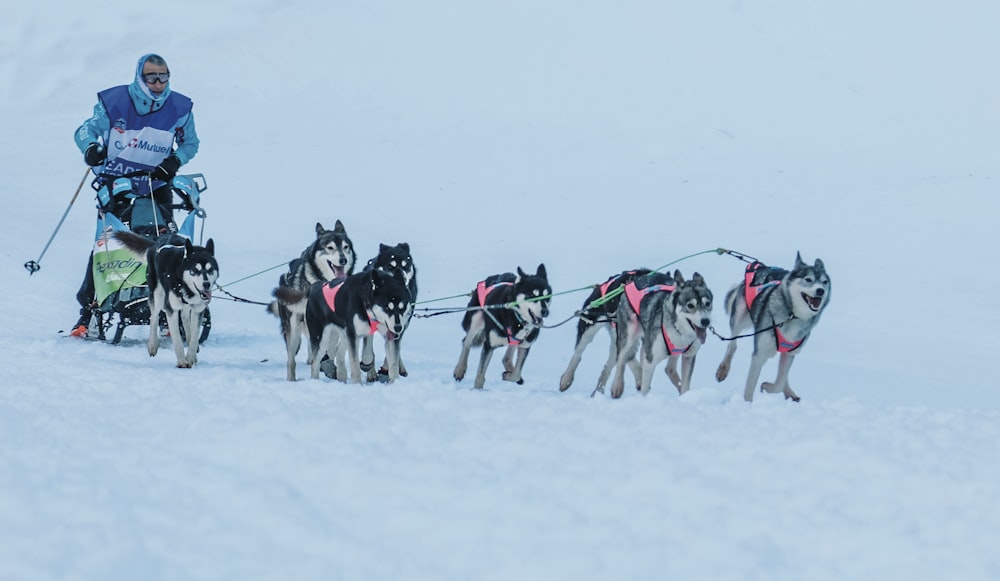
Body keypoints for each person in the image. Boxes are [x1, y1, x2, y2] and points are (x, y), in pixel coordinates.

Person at [70, 53, 200, 337]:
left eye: (163, 77)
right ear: (140, 77)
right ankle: (90, 310)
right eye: (151, 77)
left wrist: (174, 162)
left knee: (164, 240)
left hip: (157, 183)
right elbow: (84, 130)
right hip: (117, 183)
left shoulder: (179, 107)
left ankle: (172, 308)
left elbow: (191, 143)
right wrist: (91, 148)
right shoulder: (115, 101)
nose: (157, 83)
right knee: (110, 242)